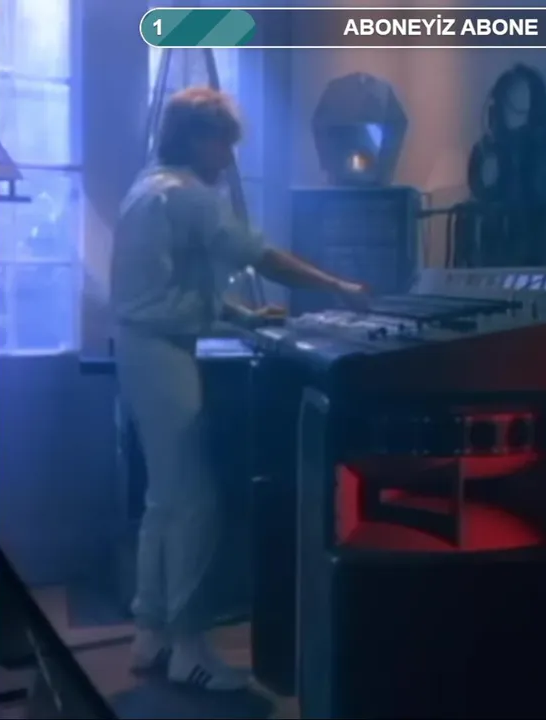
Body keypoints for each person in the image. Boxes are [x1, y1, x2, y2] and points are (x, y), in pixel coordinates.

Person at [109, 86, 367, 691]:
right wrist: (340, 287)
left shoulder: (148, 185)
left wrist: (244, 317)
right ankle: (189, 647)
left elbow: (180, 284)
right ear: (199, 137)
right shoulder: (189, 196)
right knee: (196, 500)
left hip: (139, 348)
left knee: (164, 498)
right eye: (224, 142)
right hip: (163, 352)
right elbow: (261, 255)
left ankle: (150, 631)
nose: (229, 157)